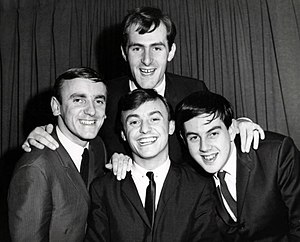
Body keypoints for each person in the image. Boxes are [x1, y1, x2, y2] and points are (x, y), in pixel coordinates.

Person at [21, 7, 264, 178]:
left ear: (171, 51)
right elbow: (77, 133)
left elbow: (216, 129)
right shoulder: (104, 97)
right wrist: (45, 136)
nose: (147, 60)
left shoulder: (192, 89)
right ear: (125, 53)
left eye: (156, 48)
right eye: (137, 48)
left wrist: (241, 123)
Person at [85, 89, 221, 242]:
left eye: (154, 119)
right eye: (134, 122)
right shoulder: (103, 189)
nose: (144, 129)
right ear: (123, 133)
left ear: (171, 127)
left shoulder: (198, 186)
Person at [175, 90, 300, 241]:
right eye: (194, 137)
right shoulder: (189, 177)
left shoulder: (276, 154)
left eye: (213, 134)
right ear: (183, 139)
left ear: (232, 129)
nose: (204, 147)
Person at [8, 67, 108, 242]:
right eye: (79, 100)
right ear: (56, 107)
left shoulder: (98, 146)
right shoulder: (35, 168)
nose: (92, 111)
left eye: (99, 101)